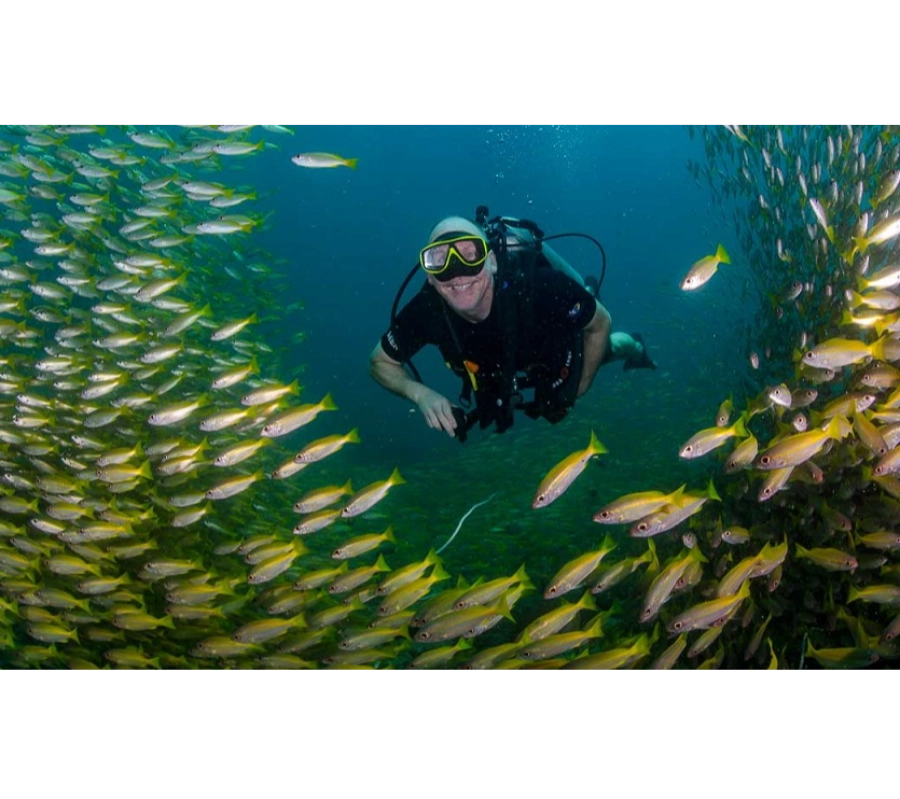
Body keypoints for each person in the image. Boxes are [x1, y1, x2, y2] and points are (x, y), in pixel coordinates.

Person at [369, 214, 656, 440]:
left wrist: (578, 388)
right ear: (430, 277)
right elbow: (380, 362)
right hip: (494, 366)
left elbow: (600, 322)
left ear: (492, 261)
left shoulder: (539, 286)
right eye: (439, 259)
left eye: (470, 254)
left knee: (608, 348)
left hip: (553, 344)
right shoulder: (428, 309)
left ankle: (636, 347)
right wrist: (422, 395)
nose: (456, 271)